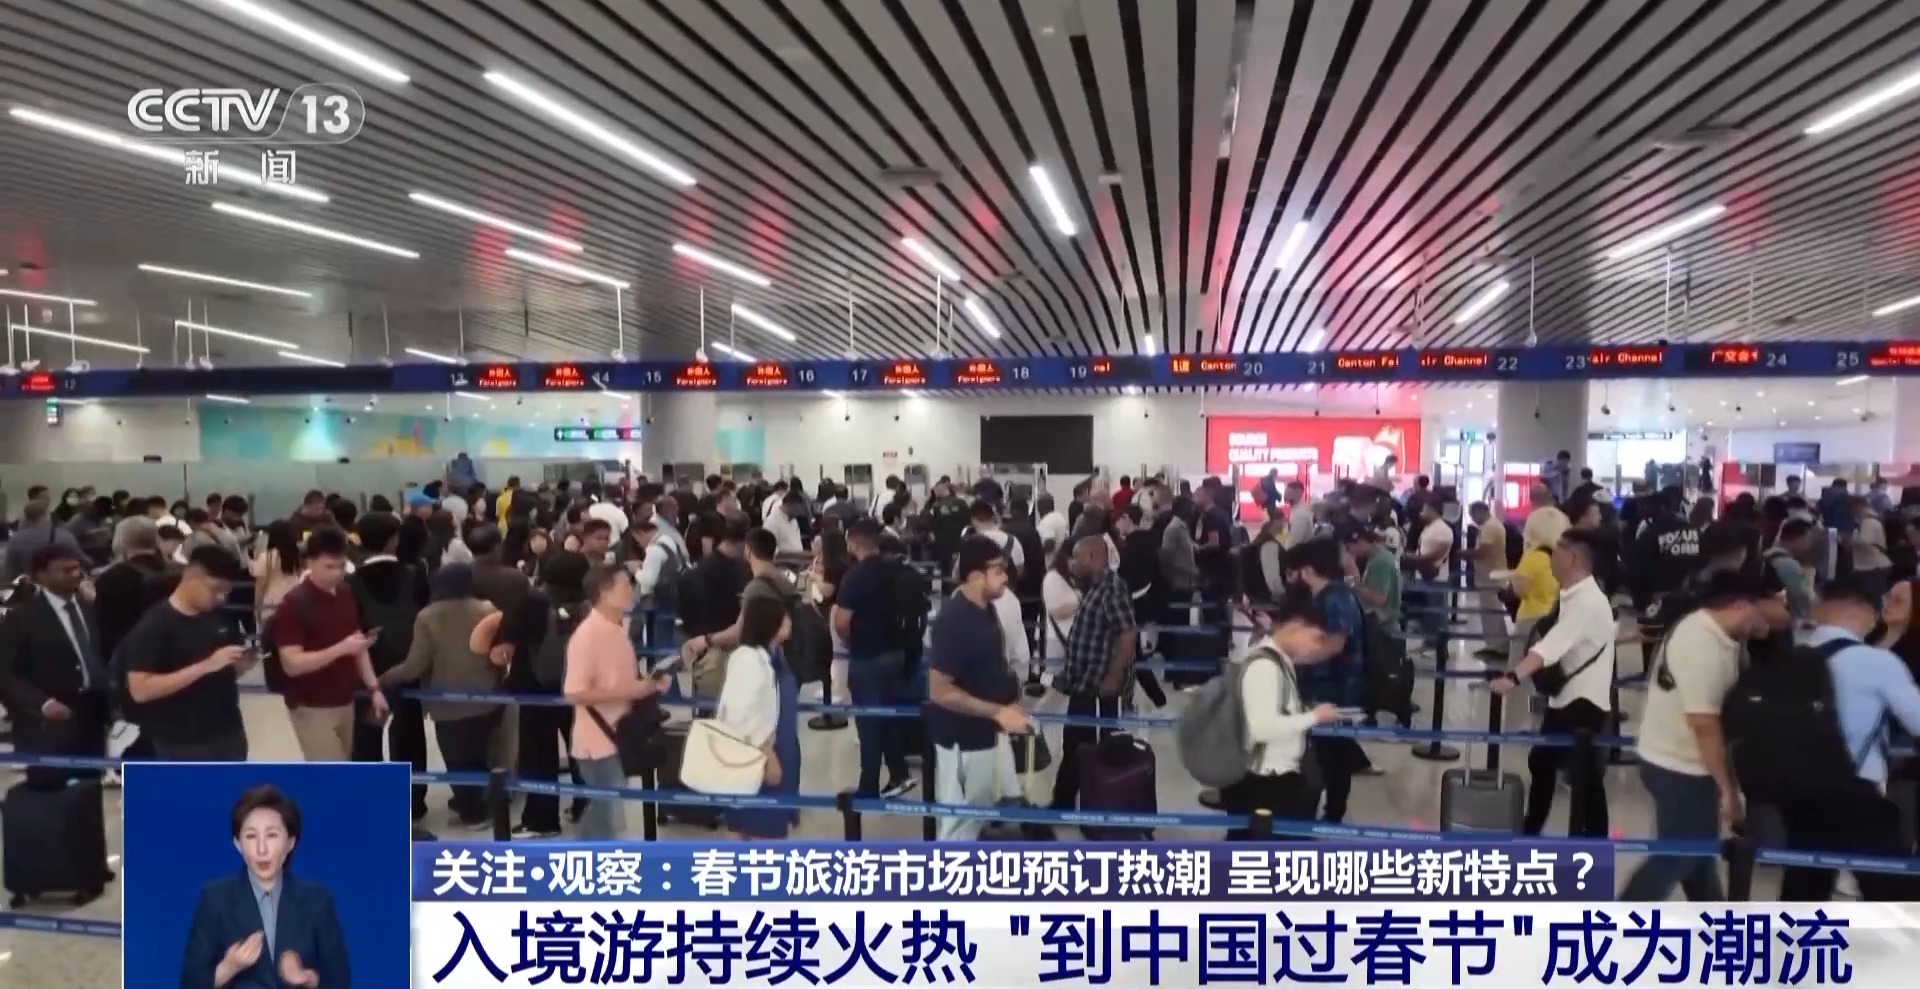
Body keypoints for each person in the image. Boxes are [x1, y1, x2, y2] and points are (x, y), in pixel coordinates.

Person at [1622, 570, 1767, 902]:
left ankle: (1716, 922)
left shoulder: (1715, 634)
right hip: (1680, 767)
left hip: (1675, 759)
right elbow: (1704, 724)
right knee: (1676, 857)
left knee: (1697, 858)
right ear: (1741, 605)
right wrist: (1727, 789)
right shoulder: (1701, 643)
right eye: (1760, 610)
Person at [1774, 578, 1920, 900]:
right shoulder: (1877, 662)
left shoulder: (1791, 657)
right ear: (1868, 613)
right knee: (1894, 888)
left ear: (1820, 609)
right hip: (1857, 789)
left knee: (1806, 881)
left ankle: (1790, 933)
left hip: (1797, 790)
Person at [1491, 528, 1617, 838]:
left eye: (1558, 551)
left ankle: (1541, 831)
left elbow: (1549, 647)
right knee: (1563, 768)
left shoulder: (1587, 601)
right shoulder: (1573, 595)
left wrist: (1513, 676)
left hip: (1584, 702)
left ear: (1573, 558)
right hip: (1569, 698)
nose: (1551, 558)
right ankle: (1544, 831)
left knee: (1566, 769)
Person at [180, 786, 347, 989]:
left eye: (272, 835)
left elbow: (340, 981)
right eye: (251, 836)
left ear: (290, 843)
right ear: (238, 844)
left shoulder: (317, 901)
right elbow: (189, 983)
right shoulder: (215, 900)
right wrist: (229, 967)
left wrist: (307, 977)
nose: (262, 849)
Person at [377, 564, 506, 828]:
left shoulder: (428, 616)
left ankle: (473, 814)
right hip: (489, 696)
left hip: (449, 701)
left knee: (459, 760)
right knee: (481, 755)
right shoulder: (488, 609)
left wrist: (382, 679)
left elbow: (416, 664)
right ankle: (480, 803)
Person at [928, 537, 1033, 838]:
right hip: (963, 741)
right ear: (975, 575)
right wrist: (998, 711)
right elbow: (939, 690)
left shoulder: (986, 610)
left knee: (977, 814)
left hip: (985, 735)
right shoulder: (954, 622)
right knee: (960, 824)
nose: (1006, 577)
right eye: (997, 570)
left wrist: (1008, 700)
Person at [563, 563, 672, 840]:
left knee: (606, 816)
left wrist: (649, 685)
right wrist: (631, 691)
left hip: (617, 736)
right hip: (597, 742)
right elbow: (574, 692)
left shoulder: (616, 629)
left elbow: (619, 680)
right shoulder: (587, 636)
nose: (632, 590)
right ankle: (583, 861)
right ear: (604, 592)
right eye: (625, 585)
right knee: (606, 818)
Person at [1219, 593, 1341, 839]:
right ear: (1296, 627)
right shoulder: (1265, 666)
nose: (1316, 647)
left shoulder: (1279, 660)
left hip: (1275, 777)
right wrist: (1314, 717)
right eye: (1315, 637)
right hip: (1265, 782)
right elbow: (1261, 728)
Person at [123, 546, 254, 761]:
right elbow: (140, 690)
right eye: (216, 589)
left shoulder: (219, 616)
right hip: (182, 739)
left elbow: (225, 668)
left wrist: (239, 665)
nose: (221, 597)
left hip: (229, 730)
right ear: (192, 577)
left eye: (225, 591)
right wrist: (205, 666)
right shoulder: (154, 626)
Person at [0, 543, 112, 789]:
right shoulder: (22, 618)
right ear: (40, 576)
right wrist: (42, 703)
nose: (74, 575)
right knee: (50, 793)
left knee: (88, 791)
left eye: (76, 568)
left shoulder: (89, 610)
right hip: (47, 723)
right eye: (65, 570)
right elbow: (7, 675)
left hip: (91, 718)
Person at [268, 529, 386, 763]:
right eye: (329, 567)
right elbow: (292, 664)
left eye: (341, 566)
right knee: (330, 773)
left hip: (346, 699)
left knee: (344, 765)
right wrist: (341, 649)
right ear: (309, 562)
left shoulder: (346, 592)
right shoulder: (293, 605)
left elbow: (357, 646)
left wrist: (374, 688)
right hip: (311, 705)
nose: (337, 573)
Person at [348, 513, 430, 820]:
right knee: (409, 736)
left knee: (366, 738)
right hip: (408, 666)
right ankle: (413, 802)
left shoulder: (350, 582)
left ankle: (371, 801)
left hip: (366, 671)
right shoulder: (415, 574)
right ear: (394, 539)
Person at [1048, 535, 1137, 812]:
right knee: (1075, 745)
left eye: (1076, 558)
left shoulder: (1112, 589)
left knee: (1091, 748)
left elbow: (1127, 634)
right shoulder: (1094, 588)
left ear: (1092, 557)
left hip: (1099, 689)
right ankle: (1065, 801)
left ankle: (1089, 805)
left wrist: (1113, 677)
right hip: (1084, 684)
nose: (1071, 564)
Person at [831, 519, 918, 798]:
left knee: (868, 725)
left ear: (853, 544)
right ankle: (899, 773)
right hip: (897, 653)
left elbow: (842, 621)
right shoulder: (897, 568)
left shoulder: (855, 577)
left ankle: (867, 788)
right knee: (887, 716)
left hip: (867, 657)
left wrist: (849, 641)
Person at [1286, 538, 1367, 822]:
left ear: (1308, 570)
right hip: (1323, 690)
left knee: (1332, 758)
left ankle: (1332, 815)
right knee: (1325, 755)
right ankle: (1322, 813)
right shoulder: (1321, 597)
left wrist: (1294, 660)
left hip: (1338, 692)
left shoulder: (1337, 598)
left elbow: (1335, 643)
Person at [713, 590, 805, 839]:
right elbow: (741, 716)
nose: (789, 622)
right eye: (784, 618)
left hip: (781, 747)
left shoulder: (774, 656)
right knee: (759, 830)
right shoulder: (749, 661)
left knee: (768, 828)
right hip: (760, 756)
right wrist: (768, 756)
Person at [4, 497, 82, 582]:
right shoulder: (65, 536)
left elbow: (9, 571)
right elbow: (81, 562)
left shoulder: (16, 540)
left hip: (29, 584)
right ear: (45, 516)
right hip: (60, 584)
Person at [1467, 502, 1508, 659]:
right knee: (1489, 612)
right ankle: (1493, 644)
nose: (1473, 519)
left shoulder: (1490, 527)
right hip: (1489, 575)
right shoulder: (1491, 525)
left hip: (1492, 576)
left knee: (1492, 612)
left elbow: (1484, 551)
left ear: (1480, 512)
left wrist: (1465, 553)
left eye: (1473, 515)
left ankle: (1499, 647)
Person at [1347, 526, 1401, 625]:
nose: (1350, 551)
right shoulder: (1379, 556)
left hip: (1382, 623)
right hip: (1378, 619)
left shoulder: (1381, 561)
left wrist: (1353, 585)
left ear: (1362, 541)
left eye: (1350, 546)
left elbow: (1379, 598)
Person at [1850, 496, 1893, 600]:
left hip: (1872, 567)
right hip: (1872, 566)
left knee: (1873, 600)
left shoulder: (1868, 522)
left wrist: (1850, 542)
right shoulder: (1868, 520)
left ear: (1858, 506)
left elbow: (1865, 543)